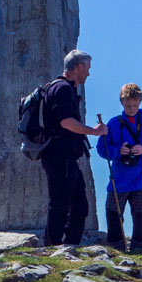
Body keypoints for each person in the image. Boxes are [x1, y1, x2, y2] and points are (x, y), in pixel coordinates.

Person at [41, 50, 107, 246]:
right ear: (79, 67)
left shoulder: (60, 87)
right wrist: (93, 132)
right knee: (61, 204)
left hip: (64, 156)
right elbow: (65, 122)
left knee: (78, 205)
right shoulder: (62, 89)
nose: (88, 73)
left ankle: (69, 247)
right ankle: (54, 248)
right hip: (59, 155)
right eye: (87, 68)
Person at [96, 83, 142, 253]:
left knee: (140, 218)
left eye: (135, 105)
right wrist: (118, 151)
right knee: (113, 215)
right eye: (128, 105)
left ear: (140, 102)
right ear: (121, 103)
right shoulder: (114, 124)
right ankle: (116, 253)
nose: (131, 108)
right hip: (119, 180)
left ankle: (139, 253)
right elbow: (101, 149)